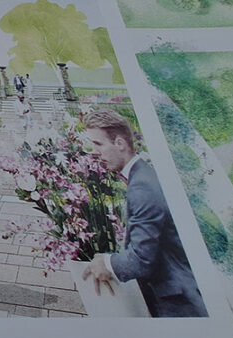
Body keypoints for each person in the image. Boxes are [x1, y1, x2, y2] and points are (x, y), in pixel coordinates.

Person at [81, 110, 207, 317]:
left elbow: (140, 261)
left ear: (120, 144)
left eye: (98, 144)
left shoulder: (142, 187)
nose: (93, 152)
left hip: (178, 303)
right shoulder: (144, 175)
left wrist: (105, 262)